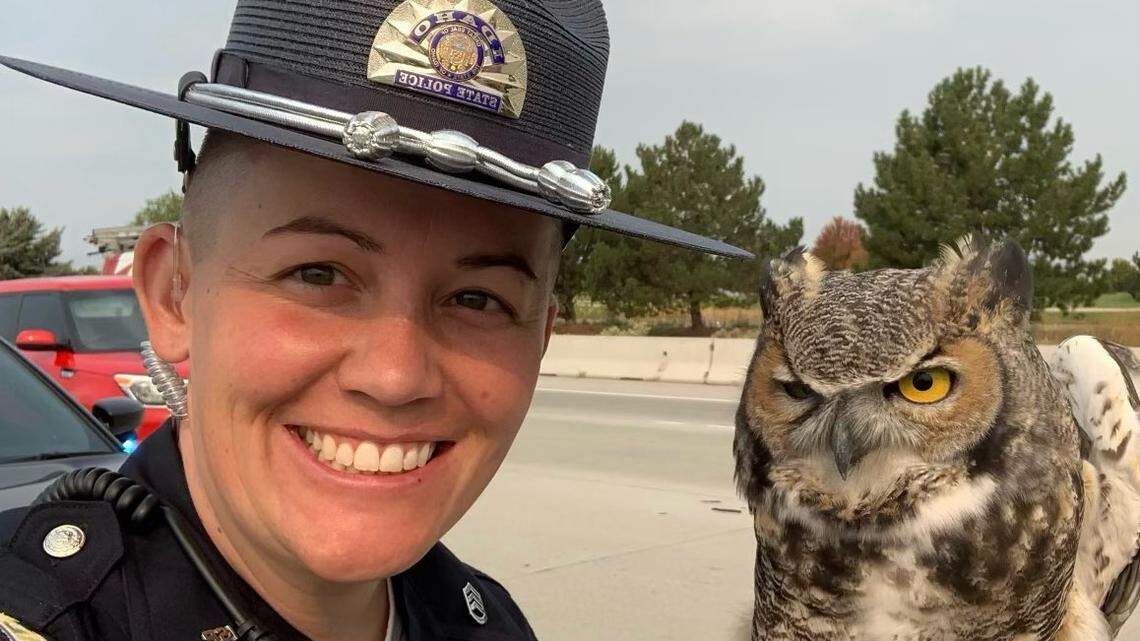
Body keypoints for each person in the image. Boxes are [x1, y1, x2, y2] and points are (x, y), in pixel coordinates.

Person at [0, 2, 750, 640]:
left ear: (541, 337)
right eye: (319, 274)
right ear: (174, 294)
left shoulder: (487, 624)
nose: (395, 376)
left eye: (478, 299)